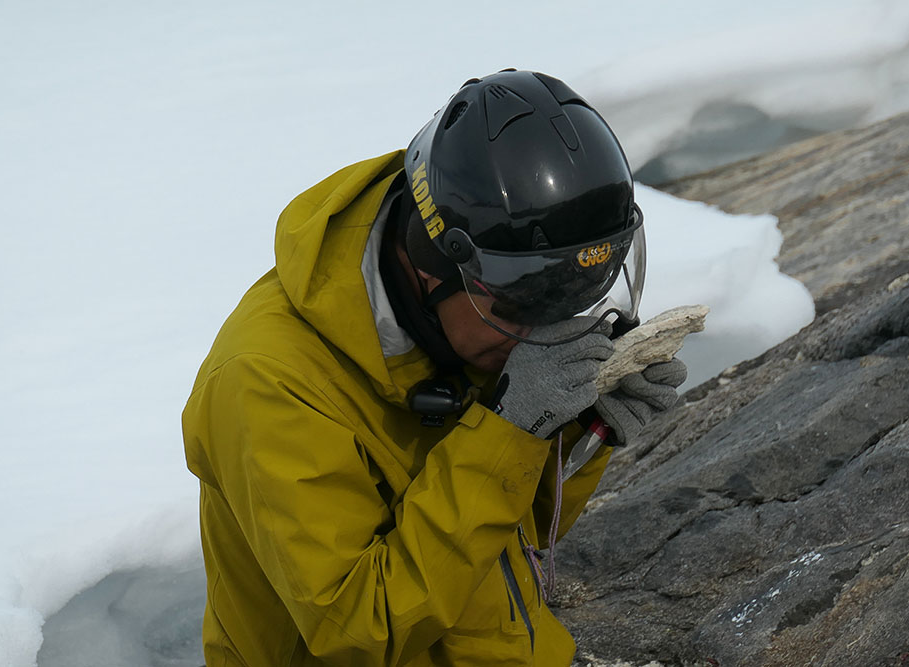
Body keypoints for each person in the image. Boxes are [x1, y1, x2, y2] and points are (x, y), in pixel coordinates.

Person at [182, 69, 686, 666]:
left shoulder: (470, 320)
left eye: (568, 300)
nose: (542, 333)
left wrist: (578, 428)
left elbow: (510, 535)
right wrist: (509, 430)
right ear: (431, 265)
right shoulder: (266, 384)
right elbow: (358, 630)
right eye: (525, 306)